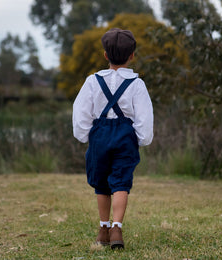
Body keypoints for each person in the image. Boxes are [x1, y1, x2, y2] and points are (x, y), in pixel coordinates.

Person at [72, 28, 153, 249]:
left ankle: (103, 229)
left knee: (101, 184)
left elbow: (80, 112)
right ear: (132, 56)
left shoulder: (92, 81)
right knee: (121, 183)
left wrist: (85, 134)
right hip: (125, 136)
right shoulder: (137, 84)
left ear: (105, 55)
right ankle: (117, 228)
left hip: (100, 135)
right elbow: (144, 117)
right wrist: (142, 139)